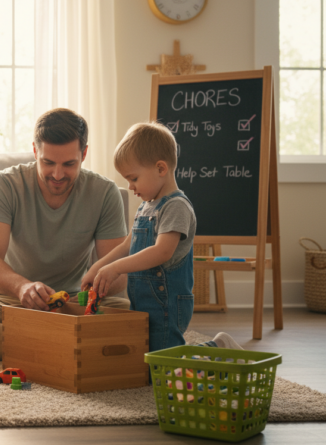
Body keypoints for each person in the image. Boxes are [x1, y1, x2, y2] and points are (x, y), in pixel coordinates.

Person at [0, 108, 131, 361]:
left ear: (84, 154)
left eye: (69, 164)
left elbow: (118, 277)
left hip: (74, 301)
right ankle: (72, 344)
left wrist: (99, 282)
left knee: (136, 319)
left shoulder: (105, 192)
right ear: (35, 151)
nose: (57, 175)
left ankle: (39, 343)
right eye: (48, 162)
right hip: (11, 297)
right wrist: (22, 287)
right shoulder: (5, 184)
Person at [81, 122, 242, 352]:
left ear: (161, 168)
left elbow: (161, 251)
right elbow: (129, 244)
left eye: (134, 178)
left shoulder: (176, 206)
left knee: (166, 367)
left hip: (166, 303)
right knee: (146, 360)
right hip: (144, 301)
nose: (130, 186)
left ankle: (218, 347)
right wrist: (98, 267)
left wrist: (116, 268)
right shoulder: (146, 206)